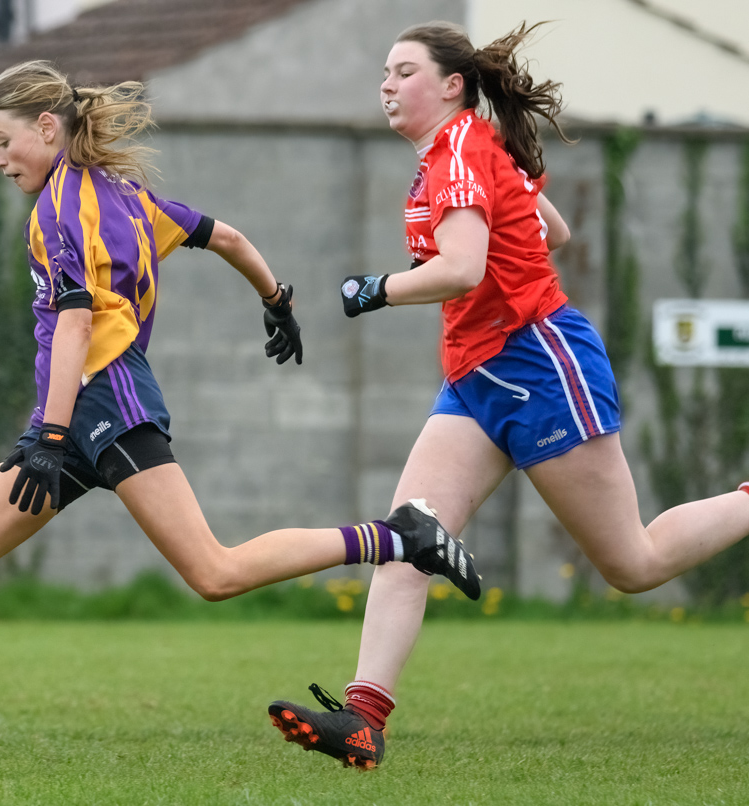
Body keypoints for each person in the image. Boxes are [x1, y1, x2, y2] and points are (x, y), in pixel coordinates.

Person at [0, 60, 479, 774]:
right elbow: (227, 238)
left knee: (213, 571)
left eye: (1, 140)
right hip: (71, 413)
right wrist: (277, 300)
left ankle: (396, 537)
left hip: (104, 402)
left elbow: (77, 322)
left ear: (46, 127)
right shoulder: (126, 196)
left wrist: (49, 437)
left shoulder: (59, 207)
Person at [268, 20, 749, 771]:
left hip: (537, 365)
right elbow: (547, 229)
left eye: (402, 71)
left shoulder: (460, 148)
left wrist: (373, 290)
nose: (386, 85)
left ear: (450, 86)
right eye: (384, 73)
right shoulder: (458, 151)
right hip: (475, 374)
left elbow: (461, 268)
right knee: (406, 538)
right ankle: (361, 721)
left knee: (631, 562)